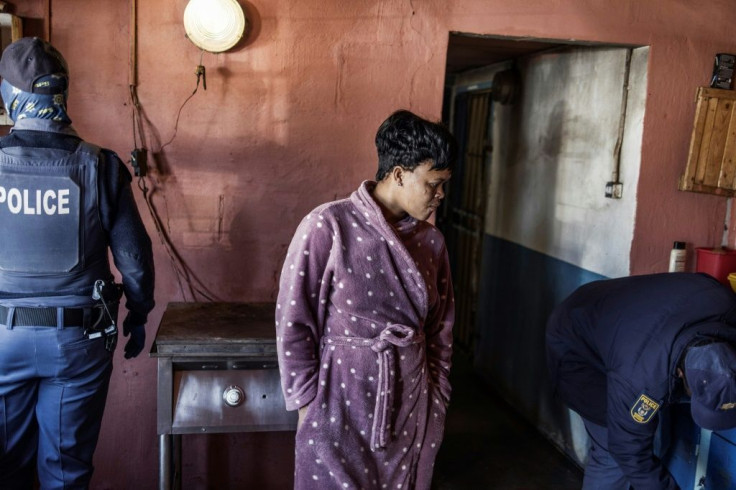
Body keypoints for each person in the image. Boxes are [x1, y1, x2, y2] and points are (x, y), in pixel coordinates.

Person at [0, 37, 155, 489]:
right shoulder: (101, 167)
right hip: (77, 342)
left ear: (10, 97)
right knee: (66, 471)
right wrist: (140, 313)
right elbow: (135, 260)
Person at [275, 109, 457, 489]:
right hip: (338, 401)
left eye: (444, 184)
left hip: (411, 402)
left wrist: (436, 397)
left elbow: (442, 330)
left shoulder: (432, 243)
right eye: (434, 183)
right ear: (399, 174)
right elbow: (294, 320)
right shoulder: (328, 226)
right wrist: (309, 404)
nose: (440, 195)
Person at [546, 272, 736, 490]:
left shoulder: (730, 310)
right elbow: (628, 452)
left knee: (653, 437)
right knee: (612, 457)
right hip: (576, 343)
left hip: (629, 321)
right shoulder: (641, 379)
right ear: (681, 373)